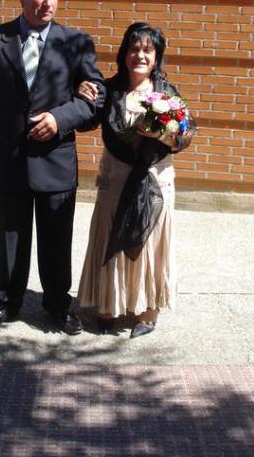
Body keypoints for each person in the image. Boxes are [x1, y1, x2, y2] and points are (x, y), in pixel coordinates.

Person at [0, 0, 105, 335]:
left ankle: (57, 305)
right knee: (9, 238)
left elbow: (96, 98)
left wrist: (59, 118)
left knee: (56, 240)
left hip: (55, 161)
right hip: (6, 161)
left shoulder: (77, 43)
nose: (47, 1)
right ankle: (6, 303)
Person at [77, 22, 196, 338]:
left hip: (155, 182)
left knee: (149, 245)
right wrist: (81, 94)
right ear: (124, 53)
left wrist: (162, 135)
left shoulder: (167, 94)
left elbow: (186, 136)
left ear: (157, 57)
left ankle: (148, 311)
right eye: (134, 49)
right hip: (115, 179)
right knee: (110, 236)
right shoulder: (109, 89)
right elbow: (85, 123)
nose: (140, 55)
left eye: (147, 50)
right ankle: (108, 304)